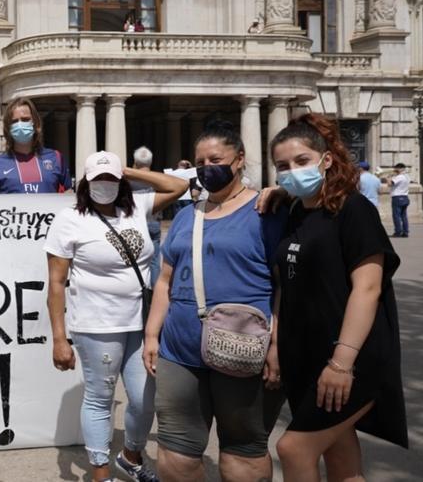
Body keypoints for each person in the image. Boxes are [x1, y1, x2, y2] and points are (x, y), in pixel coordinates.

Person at [142, 121, 284, 482]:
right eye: (200, 161)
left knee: (243, 447)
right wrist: (152, 335)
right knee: (175, 449)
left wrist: (277, 344)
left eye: (215, 159)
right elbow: (165, 281)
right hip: (180, 349)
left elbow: (286, 285)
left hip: (244, 347)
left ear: (239, 160)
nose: (207, 168)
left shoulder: (266, 211)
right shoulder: (188, 214)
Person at [268, 114, 408, 481]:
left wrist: (341, 363)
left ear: (326, 160)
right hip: (306, 354)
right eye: (282, 167)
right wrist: (275, 343)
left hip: (350, 355)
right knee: (341, 454)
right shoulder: (295, 210)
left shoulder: (353, 209)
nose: (291, 172)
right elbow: (287, 283)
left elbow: (368, 287)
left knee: (293, 449)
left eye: (301, 161)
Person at [46, 151, 188, 482]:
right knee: (100, 397)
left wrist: (124, 170)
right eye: (98, 180)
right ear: (85, 183)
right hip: (96, 325)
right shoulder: (70, 220)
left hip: (141, 323)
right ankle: (100, 472)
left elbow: (179, 186)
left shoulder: (136, 207)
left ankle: (131, 457)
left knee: (143, 400)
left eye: (111, 180)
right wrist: (58, 338)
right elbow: (55, 282)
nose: (105, 185)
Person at [130, 146, 163, 284]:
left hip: (136, 222)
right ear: (151, 161)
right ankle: (155, 291)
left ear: (135, 162)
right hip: (154, 222)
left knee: (135, 259)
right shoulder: (160, 179)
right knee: (154, 261)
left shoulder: (129, 181)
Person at [388, 163, 410, 237]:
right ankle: (405, 232)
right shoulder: (407, 176)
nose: (395, 170)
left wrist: (389, 177)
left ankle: (398, 232)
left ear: (400, 168)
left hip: (397, 197)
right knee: (404, 216)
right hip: (405, 197)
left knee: (396, 216)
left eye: (396, 168)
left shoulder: (399, 177)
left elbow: (390, 184)